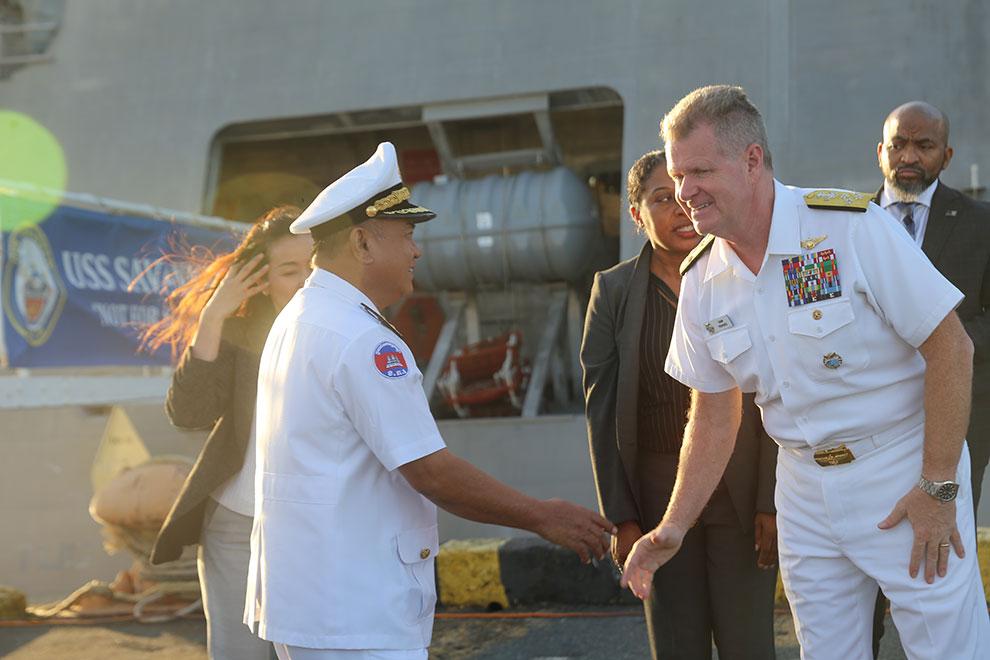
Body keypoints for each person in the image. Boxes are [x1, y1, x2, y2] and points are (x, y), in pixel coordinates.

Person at [620, 85, 990, 660]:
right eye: (675, 177)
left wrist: (940, 487)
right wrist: (673, 525)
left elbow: (951, 348)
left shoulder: (847, 227)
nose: (683, 193)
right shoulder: (701, 282)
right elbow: (715, 414)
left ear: (751, 160)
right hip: (802, 490)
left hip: (904, 470)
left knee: (948, 650)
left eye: (698, 172)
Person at [244, 142, 616, 660]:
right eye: (407, 235)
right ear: (361, 243)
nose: (417, 251)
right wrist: (541, 514)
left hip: (311, 602)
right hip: (357, 611)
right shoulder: (363, 339)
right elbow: (431, 473)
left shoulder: (300, 317)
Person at [580, 150, 778, 660]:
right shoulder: (614, 292)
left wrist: (769, 501)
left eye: (684, 194)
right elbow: (602, 415)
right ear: (636, 214)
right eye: (660, 198)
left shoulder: (741, 274)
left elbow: (776, 390)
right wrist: (621, 517)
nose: (679, 207)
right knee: (677, 645)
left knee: (748, 644)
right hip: (658, 499)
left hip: (740, 490)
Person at [144, 206, 312, 660]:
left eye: (314, 266)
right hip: (237, 523)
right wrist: (214, 314)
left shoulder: (359, 332)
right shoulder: (242, 338)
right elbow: (188, 412)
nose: (304, 280)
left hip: (317, 522)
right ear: (263, 280)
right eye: (288, 270)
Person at [875, 101, 990, 514]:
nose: (909, 157)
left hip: (962, 408)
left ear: (947, 155)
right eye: (898, 144)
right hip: (870, 408)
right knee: (874, 525)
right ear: (881, 151)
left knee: (948, 529)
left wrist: (936, 343)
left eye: (924, 145)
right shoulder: (846, 223)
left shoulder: (983, 223)